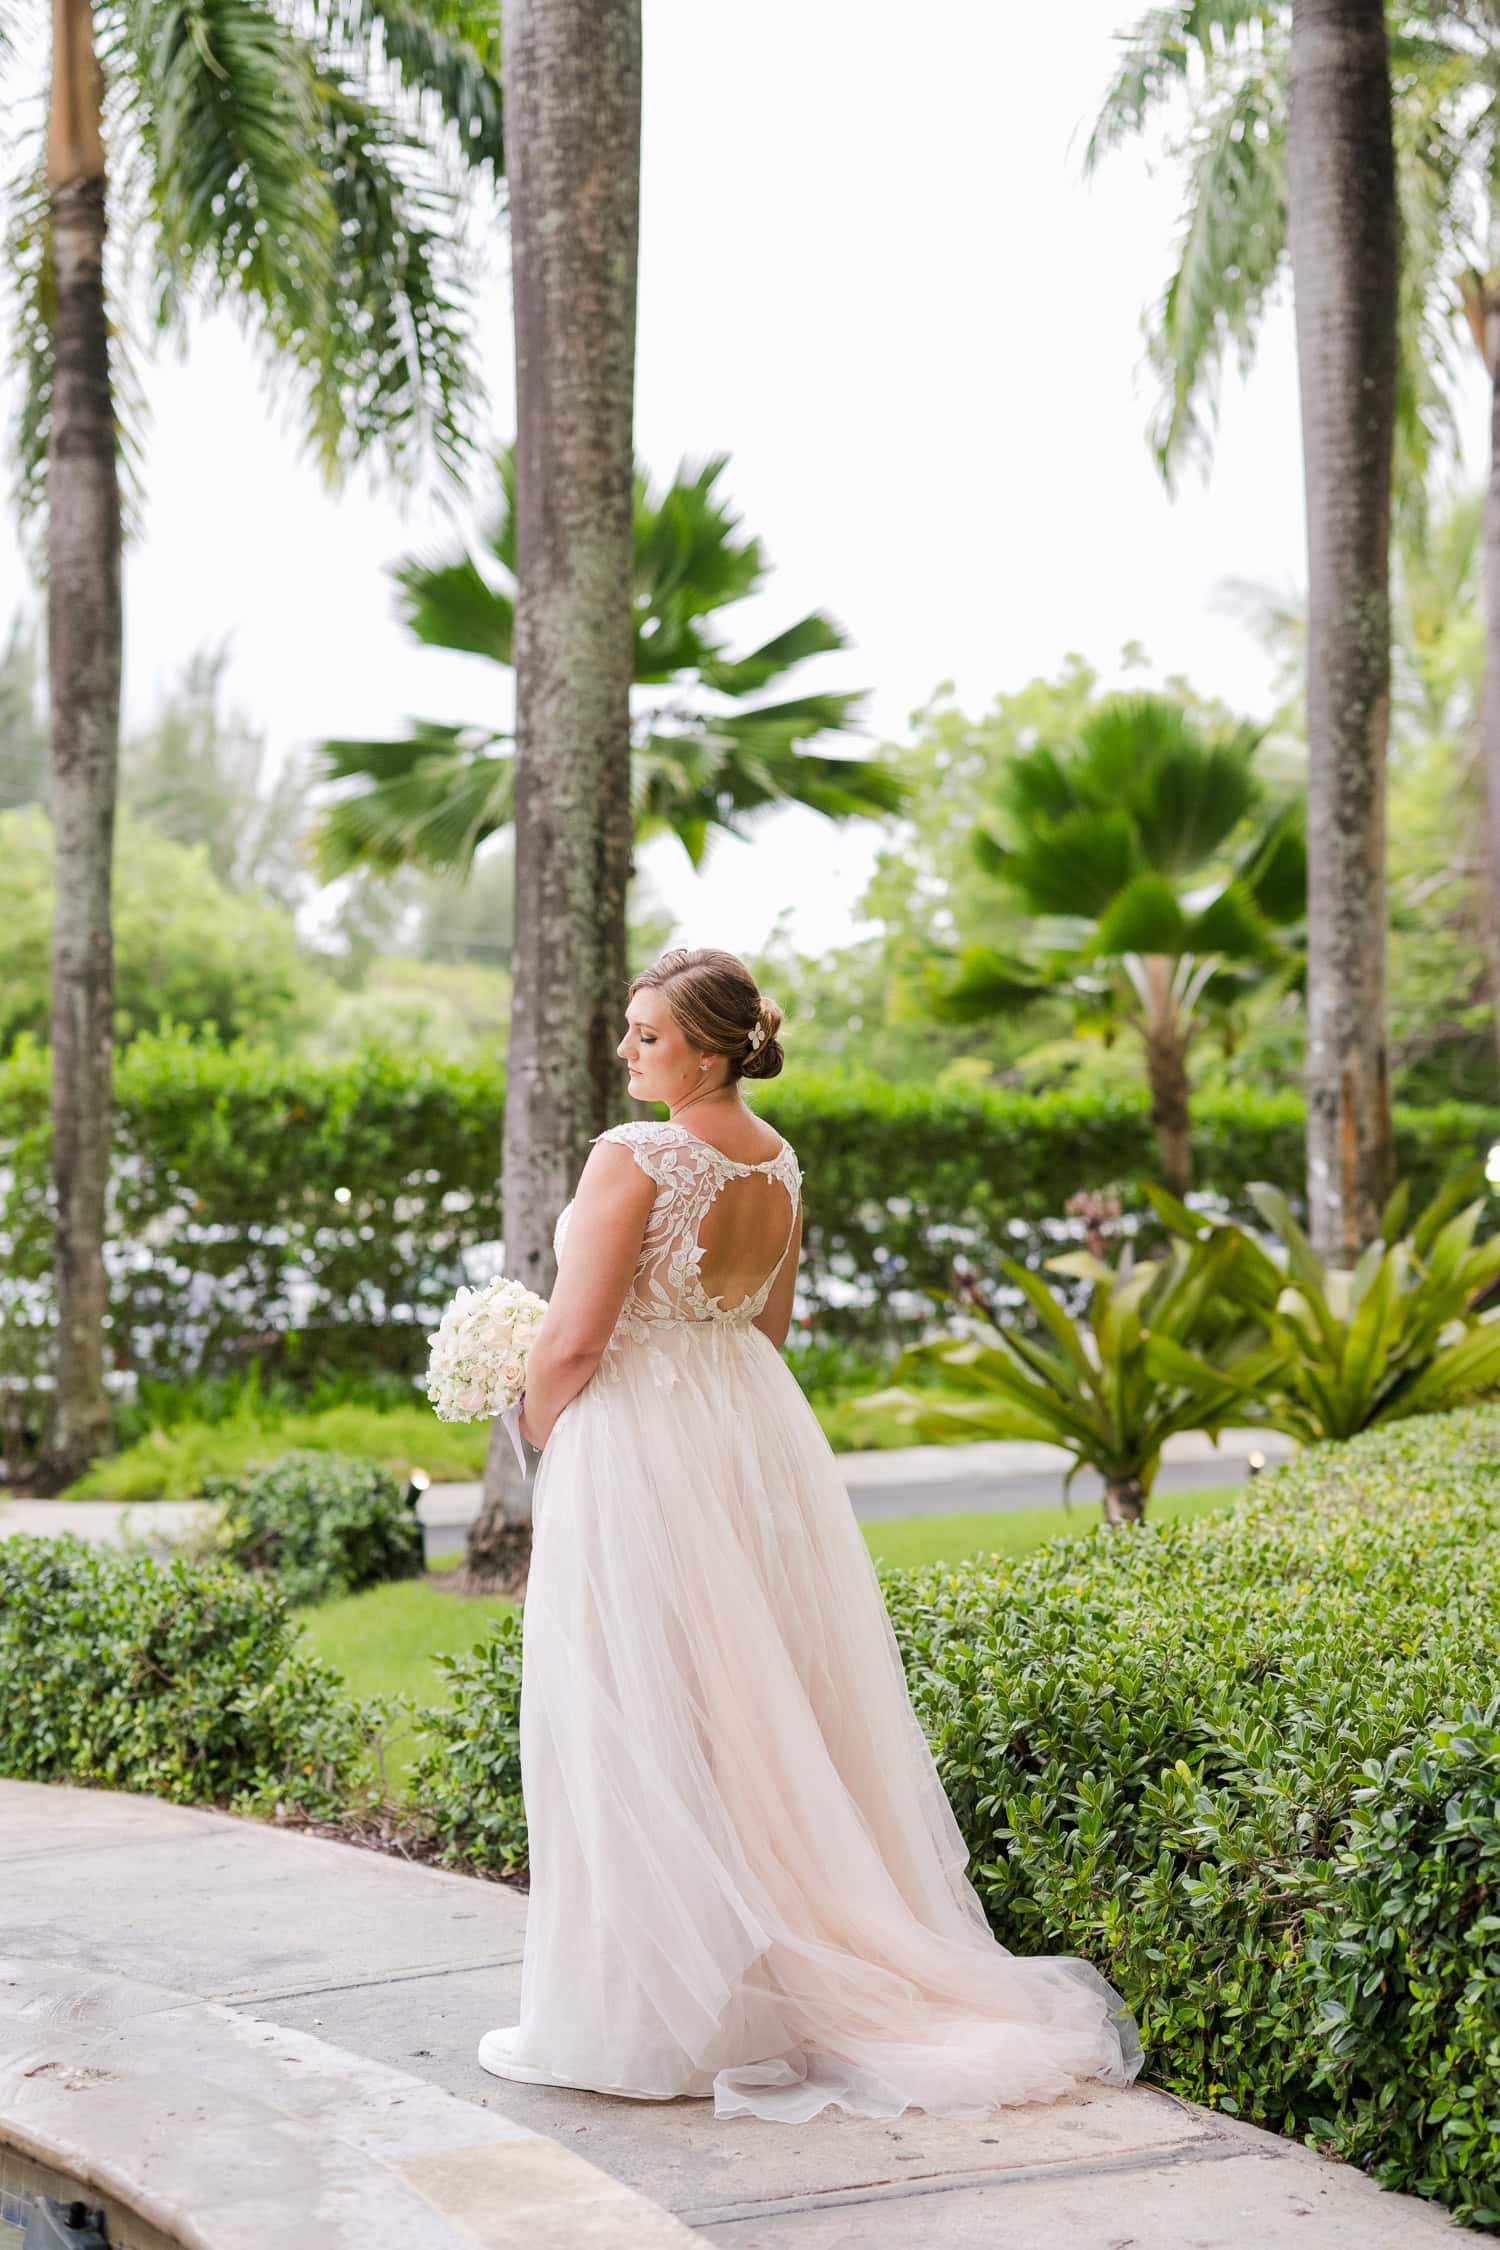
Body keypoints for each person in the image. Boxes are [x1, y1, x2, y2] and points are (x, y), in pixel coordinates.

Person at [476, 946, 1143, 2122]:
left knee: (634, 1708)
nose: (628, 1052)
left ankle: (641, 2018)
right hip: (746, 1434)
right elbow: (766, 1323)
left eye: (648, 1035)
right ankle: (762, 1996)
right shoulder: (780, 1162)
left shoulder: (630, 1158)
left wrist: (526, 1421)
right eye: (630, 1032)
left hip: (639, 1444)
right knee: (753, 1712)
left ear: (713, 1047)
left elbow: (575, 1345)